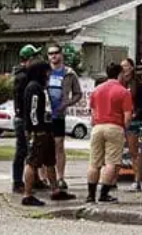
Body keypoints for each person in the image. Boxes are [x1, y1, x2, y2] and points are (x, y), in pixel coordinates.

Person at [21, 61, 75, 206]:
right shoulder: (34, 88)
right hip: (38, 131)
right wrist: (37, 128)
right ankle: (27, 194)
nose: (49, 75)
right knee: (32, 162)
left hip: (46, 130)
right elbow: (33, 111)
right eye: (47, 72)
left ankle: (55, 190)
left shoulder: (39, 88)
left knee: (50, 161)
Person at [86, 62, 132, 204]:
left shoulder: (97, 90)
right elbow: (128, 116)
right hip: (114, 127)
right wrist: (124, 129)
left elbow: (92, 111)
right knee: (111, 163)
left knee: (94, 163)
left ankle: (90, 195)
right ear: (120, 74)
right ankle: (104, 194)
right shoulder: (124, 92)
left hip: (97, 127)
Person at [46, 44, 83, 191]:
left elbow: (78, 93)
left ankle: (61, 177)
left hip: (59, 114)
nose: (53, 56)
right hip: (45, 115)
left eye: (56, 53)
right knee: (44, 146)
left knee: (59, 145)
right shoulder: (45, 71)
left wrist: (67, 103)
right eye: (50, 54)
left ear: (61, 54)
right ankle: (45, 178)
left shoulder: (69, 73)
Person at [11, 44, 40, 193]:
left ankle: (34, 179)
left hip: (23, 118)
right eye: (34, 57)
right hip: (23, 118)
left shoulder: (25, 75)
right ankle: (17, 182)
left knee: (29, 149)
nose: (36, 60)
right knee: (23, 150)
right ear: (28, 59)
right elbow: (24, 100)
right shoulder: (23, 77)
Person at [119, 57, 142, 191]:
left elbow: (141, 104)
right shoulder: (119, 83)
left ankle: (137, 180)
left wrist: (134, 114)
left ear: (131, 67)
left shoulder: (138, 84)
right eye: (122, 66)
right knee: (116, 150)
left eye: (126, 66)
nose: (124, 69)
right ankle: (111, 179)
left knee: (133, 150)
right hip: (119, 119)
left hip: (133, 119)